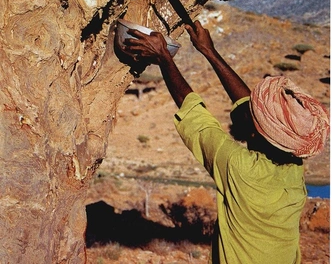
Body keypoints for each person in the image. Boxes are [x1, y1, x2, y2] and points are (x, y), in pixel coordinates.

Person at [122, 20, 330, 264]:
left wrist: (164, 58)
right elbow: (248, 109)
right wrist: (208, 51)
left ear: (257, 132)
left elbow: (197, 119)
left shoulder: (241, 169)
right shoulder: (293, 166)